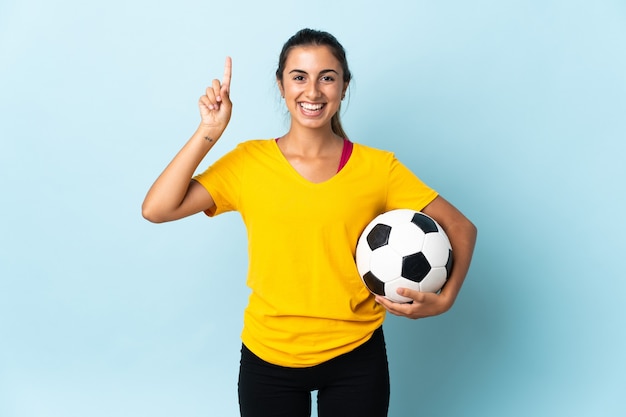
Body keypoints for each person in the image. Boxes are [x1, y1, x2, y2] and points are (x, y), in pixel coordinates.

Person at [142, 28, 477, 417]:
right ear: (281, 85)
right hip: (268, 357)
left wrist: (445, 300)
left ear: (344, 86)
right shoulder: (249, 163)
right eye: (299, 77)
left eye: (327, 77)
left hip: (356, 356)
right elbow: (157, 209)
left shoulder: (378, 168)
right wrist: (209, 132)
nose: (313, 91)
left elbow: (460, 227)